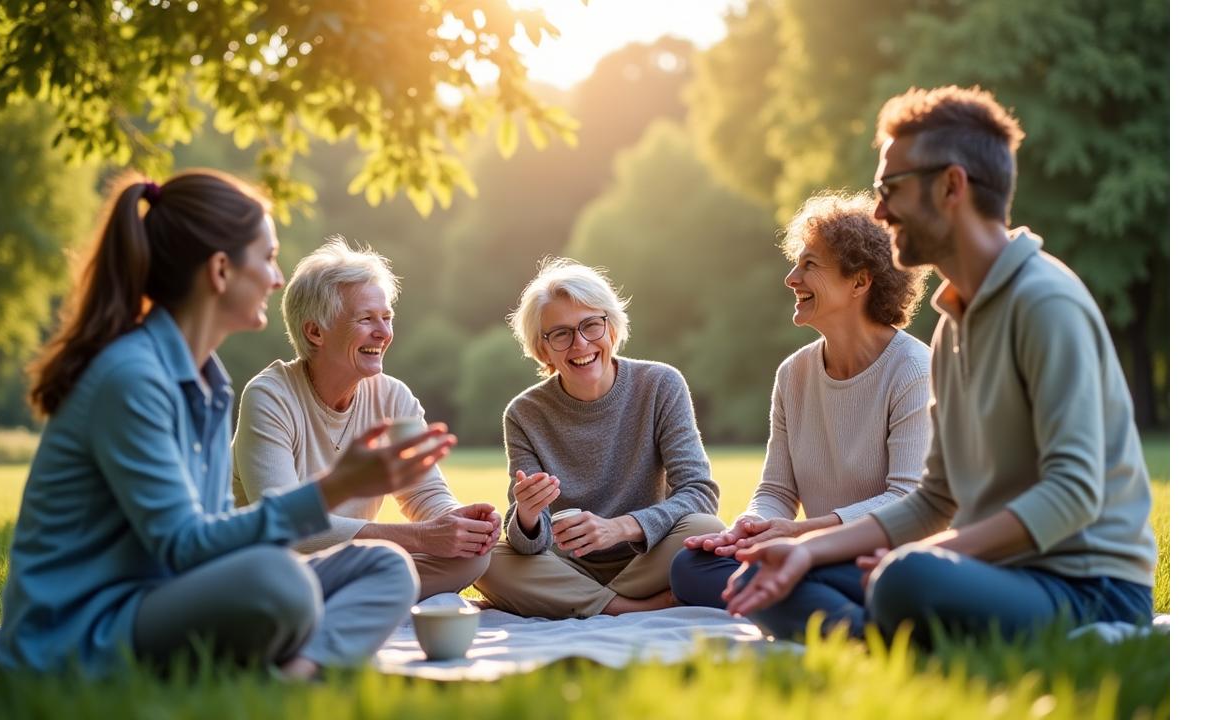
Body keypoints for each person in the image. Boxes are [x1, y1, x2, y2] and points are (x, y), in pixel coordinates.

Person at [723, 85, 1156, 643]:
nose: (880, 211)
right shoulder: (955, 323)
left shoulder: (1045, 301)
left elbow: (1072, 495)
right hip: (992, 575)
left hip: (1089, 588)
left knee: (907, 577)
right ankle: (898, 641)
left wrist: (930, 558)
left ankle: (886, 631)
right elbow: (934, 499)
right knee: (771, 574)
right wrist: (804, 550)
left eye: (891, 188)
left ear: (952, 185)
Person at [0, 170, 456, 679]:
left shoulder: (210, 382)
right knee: (282, 580)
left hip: (159, 599)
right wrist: (337, 487)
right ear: (220, 270)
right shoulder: (132, 378)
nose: (277, 278)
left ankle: (295, 677)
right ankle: (296, 656)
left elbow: (212, 537)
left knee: (385, 566)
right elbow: (184, 544)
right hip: (79, 634)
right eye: (267, 257)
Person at [669, 191, 931, 609]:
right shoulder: (794, 373)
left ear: (860, 281)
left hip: (886, 556)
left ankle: (826, 612)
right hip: (810, 553)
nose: (791, 278)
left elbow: (908, 500)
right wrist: (749, 529)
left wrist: (801, 535)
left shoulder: (913, 369)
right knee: (691, 566)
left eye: (810, 265)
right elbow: (776, 490)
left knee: (760, 573)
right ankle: (808, 602)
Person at [233, 239, 501, 600]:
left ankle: (347, 597)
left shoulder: (393, 396)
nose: (384, 333)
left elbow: (425, 493)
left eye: (387, 318)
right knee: (290, 576)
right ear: (315, 332)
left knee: (471, 561)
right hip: (270, 564)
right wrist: (421, 538)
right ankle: (355, 595)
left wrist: (459, 523)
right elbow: (287, 526)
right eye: (366, 319)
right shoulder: (269, 396)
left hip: (347, 564)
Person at [473, 259, 723, 619]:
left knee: (704, 527)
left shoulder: (660, 385)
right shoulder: (524, 413)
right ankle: (628, 607)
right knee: (484, 556)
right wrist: (527, 516)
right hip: (569, 566)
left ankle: (576, 603)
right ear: (542, 349)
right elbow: (529, 543)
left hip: (648, 557)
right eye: (560, 334)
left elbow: (699, 493)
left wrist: (619, 528)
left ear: (612, 327)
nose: (580, 344)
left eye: (591, 325)